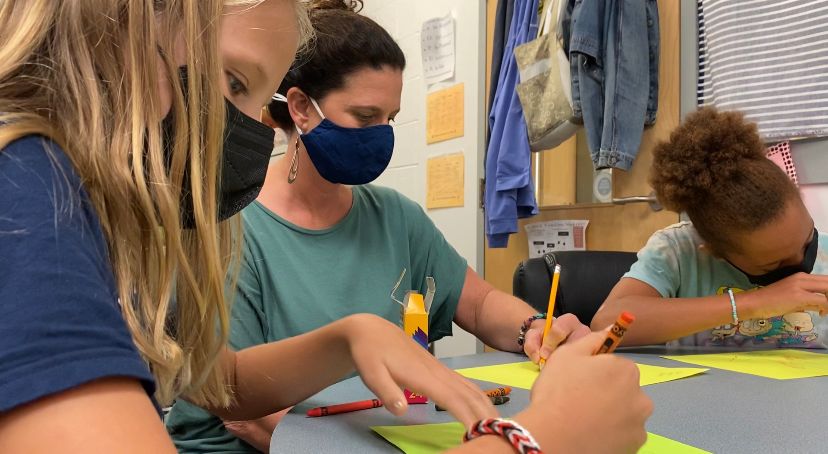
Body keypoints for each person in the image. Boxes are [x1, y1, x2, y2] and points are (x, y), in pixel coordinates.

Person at [0, 1, 650, 453]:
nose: (250, 128)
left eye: (259, 98)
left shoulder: (103, 223)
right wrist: (543, 437)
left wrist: (351, 336)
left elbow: (216, 379)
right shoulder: (26, 200)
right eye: (233, 82)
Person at [166, 1, 594, 451]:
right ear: (300, 108)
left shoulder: (397, 217)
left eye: (390, 118)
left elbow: (481, 302)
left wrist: (534, 331)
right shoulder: (229, 227)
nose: (382, 134)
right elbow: (246, 417)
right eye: (366, 117)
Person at [592, 107, 828, 348]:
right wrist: (756, 302)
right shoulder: (678, 251)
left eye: (808, 240)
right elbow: (606, 324)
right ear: (713, 250)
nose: (801, 262)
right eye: (774, 264)